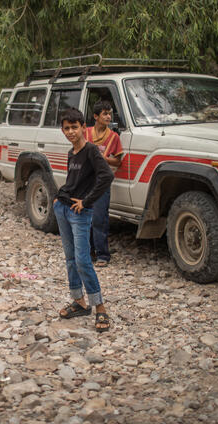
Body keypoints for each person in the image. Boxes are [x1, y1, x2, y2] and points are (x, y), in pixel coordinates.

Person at [53, 108, 113, 333]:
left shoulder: (91, 151)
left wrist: (87, 202)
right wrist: (59, 198)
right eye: (66, 128)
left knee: (83, 261)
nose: (70, 132)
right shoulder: (72, 152)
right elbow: (73, 181)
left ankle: (100, 308)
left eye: (74, 127)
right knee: (70, 259)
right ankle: (79, 302)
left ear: (83, 127)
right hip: (64, 209)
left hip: (80, 213)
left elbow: (107, 176)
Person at [86, 101, 123, 267]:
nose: (108, 116)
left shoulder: (114, 137)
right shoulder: (85, 133)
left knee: (100, 218)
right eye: (105, 114)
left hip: (102, 182)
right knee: (86, 217)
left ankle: (103, 255)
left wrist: (103, 158)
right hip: (85, 181)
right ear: (96, 117)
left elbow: (118, 161)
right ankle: (88, 252)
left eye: (110, 113)